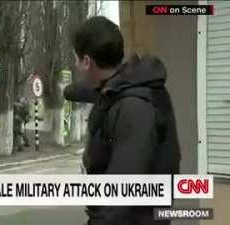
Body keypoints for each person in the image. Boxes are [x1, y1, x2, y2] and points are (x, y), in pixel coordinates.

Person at [65, 16, 181, 225]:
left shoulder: (134, 108)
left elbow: (120, 196)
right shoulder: (122, 87)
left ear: (87, 62)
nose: (75, 66)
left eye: (76, 59)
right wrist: (67, 92)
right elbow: (93, 92)